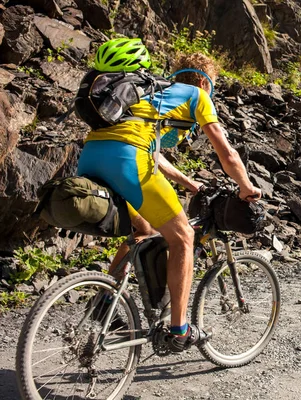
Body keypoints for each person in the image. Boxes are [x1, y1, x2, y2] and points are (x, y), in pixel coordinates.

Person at [77, 38, 261, 352]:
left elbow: (155, 153)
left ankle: (102, 302)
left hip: (91, 157)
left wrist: (191, 184)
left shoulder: (151, 93)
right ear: (205, 81)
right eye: (212, 84)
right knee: (183, 237)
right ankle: (180, 331)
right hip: (126, 161)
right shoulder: (197, 95)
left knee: (143, 230)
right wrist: (245, 185)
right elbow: (226, 152)